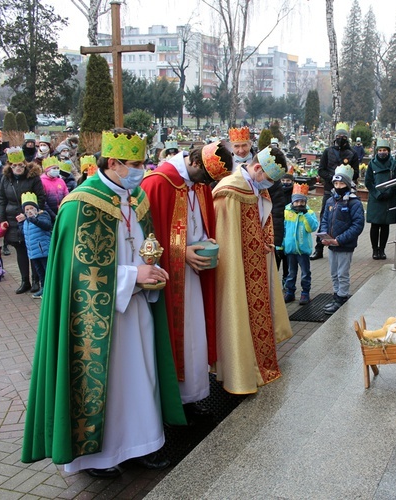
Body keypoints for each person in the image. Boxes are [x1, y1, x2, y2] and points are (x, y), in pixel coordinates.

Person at [22, 128, 186, 478]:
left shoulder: (135, 198)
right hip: (95, 323)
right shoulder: (79, 205)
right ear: (113, 163)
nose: (143, 170)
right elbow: (79, 275)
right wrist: (133, 276)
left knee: (141, 378)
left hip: (138, 311)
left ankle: (143, 443)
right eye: (136, 164)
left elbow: (147, 244)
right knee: (108, 386)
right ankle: (96, 457)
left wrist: (152, 271)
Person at [142, 140, 232, 409]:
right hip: (172, 278)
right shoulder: (158, 183)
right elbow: (147, 239)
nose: (203, 185)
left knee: (197, 336)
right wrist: (182, 253)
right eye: (203, 178)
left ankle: (195, 394)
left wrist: (207, 245)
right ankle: (175, 398)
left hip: (196, 275)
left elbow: (202, 226)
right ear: (194, 161)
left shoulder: (200, 184)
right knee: (178, 335)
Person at [211, 146, 293, 394]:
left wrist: (265, 240)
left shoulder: (256, 188)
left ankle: (256, 361)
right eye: (268, 179)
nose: (268, 186)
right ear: (257, 168)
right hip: (235, 267)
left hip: (255, 263)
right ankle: (239, 369)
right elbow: (225, 237)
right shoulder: (230, 191)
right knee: (237, 314)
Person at [0, 148, 50, 294]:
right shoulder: (6, 178)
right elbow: (1, 198)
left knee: (33, 250)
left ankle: (36, 281)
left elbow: (41, 198)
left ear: (25, 164)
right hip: (12, 218)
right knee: (20, 250)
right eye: (14, 166)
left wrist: (27, 214)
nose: (18, 168)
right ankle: (24, 281)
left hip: (30, 217)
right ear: (10, 166)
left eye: (21, 165)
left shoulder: (33, 177)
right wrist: (1, 219)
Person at [319, 164, 365, 314]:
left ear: (347, 184)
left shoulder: (354, 202)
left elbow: (357, 225)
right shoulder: (331, 201)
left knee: (342, 273)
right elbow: (325, 219)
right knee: (333, 273)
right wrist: (324, 235)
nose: (338, 186)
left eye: (342, 183)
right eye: (336, 183)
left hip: (344, 244)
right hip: (331, 243)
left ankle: (342, 297)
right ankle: (335, 296)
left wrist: (340, 239)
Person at [312, 122, 359, 260]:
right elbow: (321, 170)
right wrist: (332, 178)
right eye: (339, 135)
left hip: (345, 191)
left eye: (344, 136)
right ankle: (319, 248)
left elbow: (355, 173)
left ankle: (340, 244)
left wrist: (345, 177)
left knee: (343, 219)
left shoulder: (352, 154)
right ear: (335, 136)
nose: (341, 138)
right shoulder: (328, 151)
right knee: (325, 218)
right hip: (329, 190)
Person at [283, 183, 319, 305]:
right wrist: (282, 244)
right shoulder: (287, 212)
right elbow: (284, 229)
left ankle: (305, 293)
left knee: (305, 273)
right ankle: (290, 292)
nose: (299, 204)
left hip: (303, 250)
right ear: (292, 202)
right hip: (291, 249)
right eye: (297, 202)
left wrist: (306, 214)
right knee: (291, 272)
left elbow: (312, 228)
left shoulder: (308, 212)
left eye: (302, 202)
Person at [364, 139, 396, 260]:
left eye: (384, 150)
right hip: (376, 199)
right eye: (380, 150)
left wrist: (389, 193)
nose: (382, 152)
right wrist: (377, 193)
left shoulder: (394, 164)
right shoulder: (371, 164)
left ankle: (382, 250)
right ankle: (375, 250)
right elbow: (368, 182)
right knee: (375, 225)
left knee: (385, 225)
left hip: (388, 199)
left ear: (388, 151)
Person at [17, 192, 52, 299]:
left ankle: (50, 290)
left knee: (47, 271)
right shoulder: (26, 221)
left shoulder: (42, 215)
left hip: (43, 250)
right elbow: (23, 233)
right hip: (33, 252)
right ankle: (43, 288)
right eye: (26, 210)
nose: (29, 211)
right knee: (40, 272)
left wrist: (33, 219)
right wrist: (20, 223)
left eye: (31, 208)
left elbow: (46, 226)